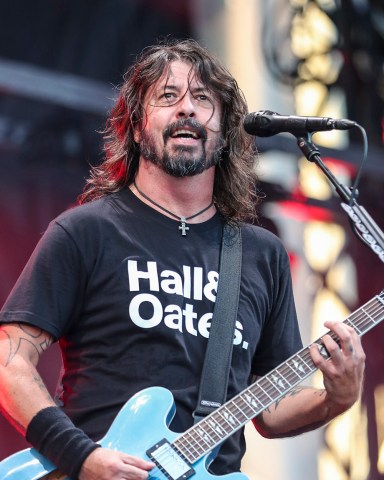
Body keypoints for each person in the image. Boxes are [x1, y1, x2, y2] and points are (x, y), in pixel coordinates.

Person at [0, 38, 365, 480]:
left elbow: (271, 409)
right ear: (136, 127)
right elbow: (10, 361)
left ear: (225, 132)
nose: (187, 109)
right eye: (168, 97)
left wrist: (337, 397)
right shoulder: (86, 232)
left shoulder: (260, 254)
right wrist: (82, 457)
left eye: (203, 99)